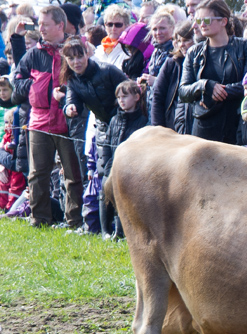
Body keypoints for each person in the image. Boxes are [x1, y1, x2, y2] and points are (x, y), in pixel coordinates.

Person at [12, 4, 84, 229]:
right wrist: (36, 87)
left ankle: (75, 222)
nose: (40, 28)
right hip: (39, 122)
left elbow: (86, 76)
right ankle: (39, 219)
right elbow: (18, 81)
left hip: (68, 122)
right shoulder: (33, 53)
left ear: (60, 25)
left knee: (73, 175)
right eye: (39, 23)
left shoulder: (75, 48)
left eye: (45, 24)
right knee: (37, 175)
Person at [61, 37, 128, 234]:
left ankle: (123, 227)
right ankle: (106, 230)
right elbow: (71, 101)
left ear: (87, 53)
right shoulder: (73, 81)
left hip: (125, 126)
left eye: (79, 56)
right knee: (104, 177)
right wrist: (69, 108)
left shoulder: (107, 70)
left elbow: (132, 91)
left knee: (124, 176)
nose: (76, 62)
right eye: (71, 58)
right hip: (103, 130)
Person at [178, 0, 247, 144]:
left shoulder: (244, 46)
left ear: (223, 21)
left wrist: (218, 92)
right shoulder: (193, 52)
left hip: (237, 123)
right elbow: (183, 92)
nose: (201, 24)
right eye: (198, 20)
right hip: (204, 125)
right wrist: (205, 85)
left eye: (207, 20)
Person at [100, 79, 149, 238]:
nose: (121, 100)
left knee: (124, 200)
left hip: (130, 170)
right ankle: (105, 231)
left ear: (136, 97)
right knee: (105, 194)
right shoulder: (114, 120)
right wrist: (106, 166)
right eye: (119, 97)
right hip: (112, 166)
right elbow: (107, 144)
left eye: (125, 96)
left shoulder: (143, 122)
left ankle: (121, 232)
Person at [151, 19, 195, 131]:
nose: (182, 45)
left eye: (186, 40)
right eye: (179, 41)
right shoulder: (172, 63)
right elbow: (158, 95)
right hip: (171, 127)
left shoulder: (203, 62)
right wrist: (158, 129)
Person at [93, 4, 131, 70]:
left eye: (118, 25)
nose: (113, 28)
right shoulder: (99, 50)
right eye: (110, 24)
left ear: (127, 26)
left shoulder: (129, 50)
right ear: (105, 26)